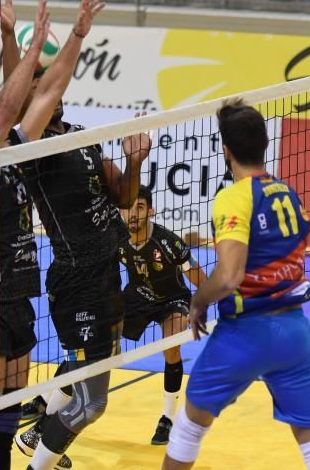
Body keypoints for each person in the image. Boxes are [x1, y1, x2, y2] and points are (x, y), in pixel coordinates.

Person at [0, 0, 105, 470]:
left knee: (8, 418)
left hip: (16, 297)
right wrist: (26, 44)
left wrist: (75, 34)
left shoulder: (13, 149)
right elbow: (11, 100)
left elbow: (48, 89)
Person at [162, 100, 310, 470]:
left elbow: (229, 276)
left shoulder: (234, 196)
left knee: (188, 428)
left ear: (225, 151)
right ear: (264, 144)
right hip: (295, 332)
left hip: (247, 332)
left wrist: (198, 301)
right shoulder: (289, 193)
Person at [5, 31, 151, 470]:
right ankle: (39, 461)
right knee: (91, 406)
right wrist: (10, 33)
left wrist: (134, 161)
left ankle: (37, 434)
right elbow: (15, 96)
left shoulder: (83, 137)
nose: (53, 92)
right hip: (77, 283)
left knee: (83, 365)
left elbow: (124, 198)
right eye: (41, 89)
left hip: (108, 275)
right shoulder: (31, 150)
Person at [118, 185, 206, 445]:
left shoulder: (168, 242)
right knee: (98, 341)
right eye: (129, 208)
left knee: (172, 344)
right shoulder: (116, 237)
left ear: (151, 211)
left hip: (172, 299)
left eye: (140, 208)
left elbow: (195, 274)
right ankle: (51, 399)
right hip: (137, 297)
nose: (133, 214)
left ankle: (167, 418)